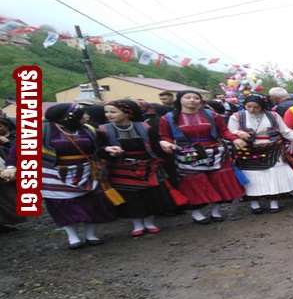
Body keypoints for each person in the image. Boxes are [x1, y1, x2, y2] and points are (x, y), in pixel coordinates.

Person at [26, 104, 117, 248]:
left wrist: (107, 149)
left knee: (93, 203)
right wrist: (12, 166)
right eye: (82, 114)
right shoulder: (42, 131)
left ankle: (91, 235)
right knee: (64, 206)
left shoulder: (89, 129)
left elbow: (97, 148)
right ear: (69, 117)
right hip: (55, 174)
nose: (87, 116)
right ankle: (73, 237)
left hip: (86, 171)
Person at [159, 90, 247, 224]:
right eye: (188, 97)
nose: (192, 100)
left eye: (196, 98)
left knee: (219, 181)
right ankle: (197, 213)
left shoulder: (211, 115)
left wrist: (234, 138)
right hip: (189, 152)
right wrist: (165, 142)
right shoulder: (168, 118)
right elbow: (164, 136)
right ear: (179, 100)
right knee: (195, 182)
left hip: (216, 151)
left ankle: (216, 211)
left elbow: (223, 131)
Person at [96, 100, 180, 236]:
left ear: (127, 113)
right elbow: (99, 149)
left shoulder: (145, 127)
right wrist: (108, 150)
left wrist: (164, 144)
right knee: (131, 197)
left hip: (147, 165)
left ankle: (149, 222)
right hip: (121, 168)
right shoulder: (102, 130)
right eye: (106, 112)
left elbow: (155, 144)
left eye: (113, 112)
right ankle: (137, 225)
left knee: (151, 195)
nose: (108, 115)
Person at [228, 94, 293, 213]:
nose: (251, 110)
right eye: (249, 106)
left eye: (256, 107)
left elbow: (286, 131)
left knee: (274, 175)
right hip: (248, 151)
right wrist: (237, 133)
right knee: (252, 176)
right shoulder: (236, 117)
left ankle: (274, 203)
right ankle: (254, 204)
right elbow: (229, 132)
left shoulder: (273, 115)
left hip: (273, 149)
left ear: (263, 106)